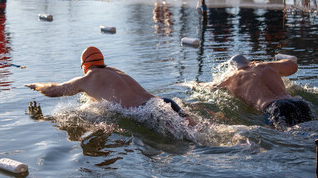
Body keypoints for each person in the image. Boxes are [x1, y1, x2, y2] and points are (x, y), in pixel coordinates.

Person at [25, 46, 197, 126]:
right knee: (202, 132)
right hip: (165, 102)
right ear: (101, 61)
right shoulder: (116, 71)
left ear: (84, 66)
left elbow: (54, 90)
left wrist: (35, 85)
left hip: (148, 113)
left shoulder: (88, 79)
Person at [201, 54, 314, 127]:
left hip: (275, 108)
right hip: (298, 103)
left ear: (232, 69)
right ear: (250, 62)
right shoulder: (265, 66)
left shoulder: (231, 79)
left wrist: (194, 84)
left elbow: (210, 87)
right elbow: (292, 65)